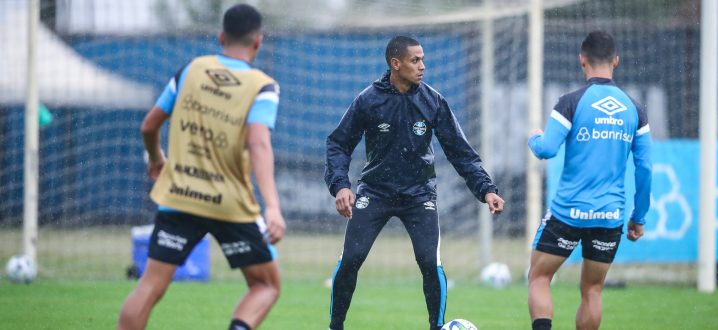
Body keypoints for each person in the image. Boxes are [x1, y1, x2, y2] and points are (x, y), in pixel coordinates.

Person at [117, 4, 285, 330]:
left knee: (150, 285)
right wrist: (273, 207)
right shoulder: (263, 86)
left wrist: (156, 159)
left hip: (180, 195)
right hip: (230, 203)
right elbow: (259, 143)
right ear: (258, 42)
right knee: (266, 285)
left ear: (221, 37)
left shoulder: (191, 70)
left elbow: (149, 126)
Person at [324, 35, 505, 330]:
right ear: (396, 64)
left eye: (422, 59)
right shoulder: (368, 100)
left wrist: (487, 190)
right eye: (415, 60)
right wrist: (341, 185)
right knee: (352, 258)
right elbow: (337, 144)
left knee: (428, 262)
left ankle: (438, 326)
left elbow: (460, 152)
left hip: (419, 195)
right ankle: (336, 326)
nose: (423, 66)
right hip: (375, 192)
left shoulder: (433, 101)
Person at [526, 31, 652, 330]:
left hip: (569, 211)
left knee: (539, 277)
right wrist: (639, 217)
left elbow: (547, 149)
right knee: (593, 290)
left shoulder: (571, 102)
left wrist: (532, 138)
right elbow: (645, 167)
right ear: (616, 61)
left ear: (582, 60)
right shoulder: (635, 109)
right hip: (609, 215)